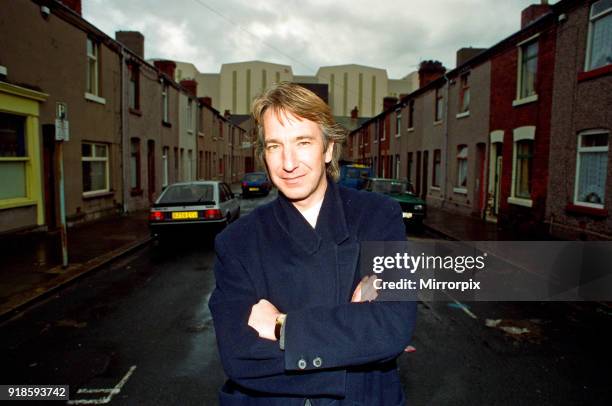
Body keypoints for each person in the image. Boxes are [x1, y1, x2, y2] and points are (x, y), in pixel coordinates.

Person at [208, 82, 417, 405]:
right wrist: (357, 350)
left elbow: (392, 326)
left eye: (302, 142)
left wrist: (283, 327)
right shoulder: (237, 241)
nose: (288, 163)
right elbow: (239, 358)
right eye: (275, 146)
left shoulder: (378, 217)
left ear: (328, 148)